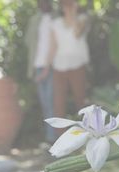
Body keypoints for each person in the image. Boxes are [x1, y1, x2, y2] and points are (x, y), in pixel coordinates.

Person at [37, 0, 90, 136]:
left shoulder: (82, 19)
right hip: (59, 68)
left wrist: (73, 14)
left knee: (81, 102)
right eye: (66, 4)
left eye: (71, 4)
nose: (68, 6)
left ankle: (89, 135)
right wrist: (46, 69)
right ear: (62, 6)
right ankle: (58, 141)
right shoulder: (55, 24)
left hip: (77, 66)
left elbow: (77, 33)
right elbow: (53, 48)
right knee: (58, 105)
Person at [25, 0, 56, 142]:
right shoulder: (35, 20)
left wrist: (47, 67)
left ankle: (53, 139)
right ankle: (50, 138)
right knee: (45, 104)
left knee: (52, 103)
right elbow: (28, 41)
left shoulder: (57, 18)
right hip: (37, 66)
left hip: (53, 67)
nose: (43, 4)